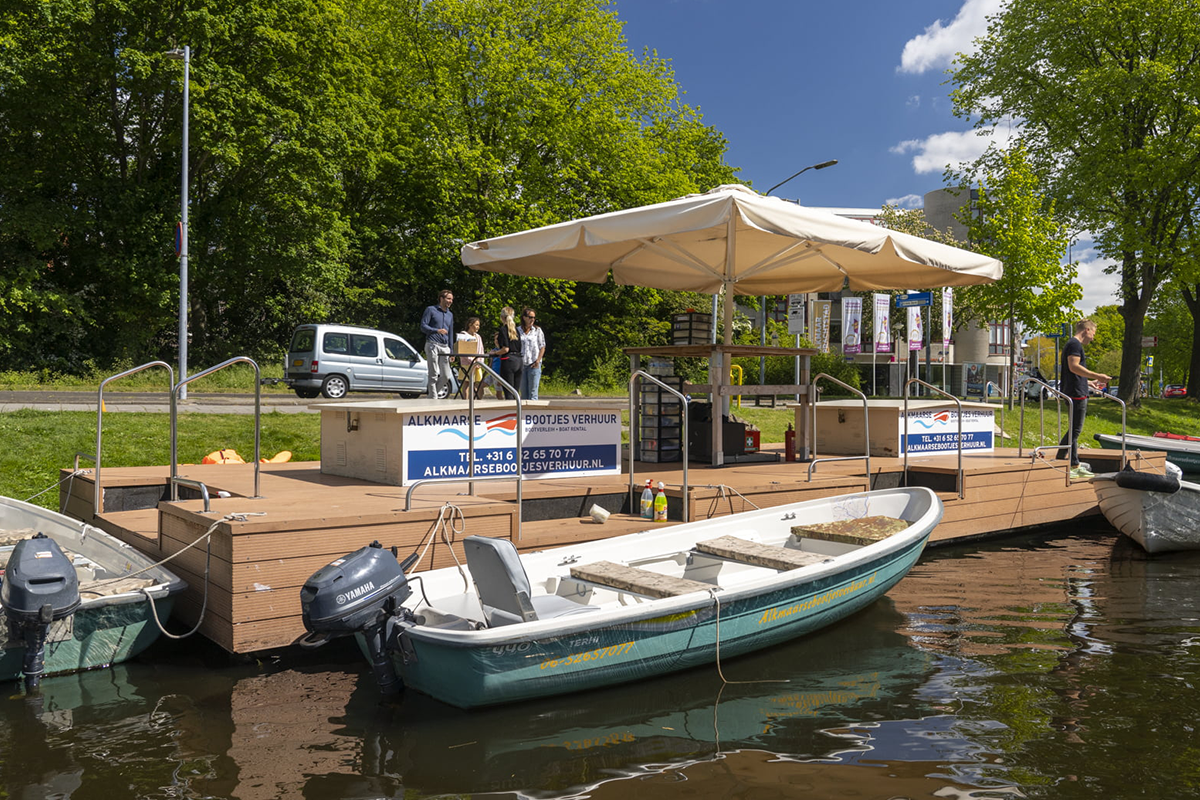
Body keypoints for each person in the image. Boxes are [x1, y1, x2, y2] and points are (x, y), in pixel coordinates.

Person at [1056, 319, 1110, 479]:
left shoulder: (1072, 344)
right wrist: (1098, 375)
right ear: (1087, 330)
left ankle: (1074, 464)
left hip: (1075, 389)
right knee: (1076, 430)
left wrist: (1090, 382)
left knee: (1074, 429)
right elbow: (1074, 366)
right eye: (1093, 333)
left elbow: (1074, 372)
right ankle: (1060, 459)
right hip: (1075, 393)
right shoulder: (1075, 344)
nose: (1093, 337)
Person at [420, 289, 454, 398]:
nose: (450, 301)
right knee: (433, 374)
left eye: (452, 299)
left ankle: (430, 396)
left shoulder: (450, 315)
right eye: (448, 298)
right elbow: (423, 326)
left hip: (445, 347)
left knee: (446, 375)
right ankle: (433, 399)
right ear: (441, 298)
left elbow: (451, 333)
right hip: (432, 344)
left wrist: (451, 351)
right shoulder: (431, 310)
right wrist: (436, 330)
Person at [490, 306, 523, 399]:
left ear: (502, 317)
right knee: (516, 392)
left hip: (508, 360)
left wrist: (495, 353)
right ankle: (517, 411)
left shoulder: (503, 330)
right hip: (519, 360)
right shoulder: (517, 330)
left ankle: (510, 412)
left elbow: (505, 349)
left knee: (508, 392)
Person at [518, 307, 546, 400]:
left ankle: (533, 413)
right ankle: (523, 414)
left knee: (533, 393)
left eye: (534, 318)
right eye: (530, 317)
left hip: (534, 363)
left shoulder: (537, 330)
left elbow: (542, 346)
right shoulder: (518, 331)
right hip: (522, 364)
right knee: (524, 393)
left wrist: (538, 360)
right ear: (524, 317)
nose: (532, 319)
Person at [456, 317, 487, 398]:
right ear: (470, 324)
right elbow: (462, 350)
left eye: (478, 325)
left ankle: (478, 401)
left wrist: (480, 361)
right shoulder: (463, 335)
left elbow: (481, 349)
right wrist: (471, 360)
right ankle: (465, 402)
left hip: (477, 363)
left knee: (478, 383)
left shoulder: (478, 337)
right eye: (476, 325)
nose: (477, 327)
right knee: (466, 384)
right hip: (467, 364)